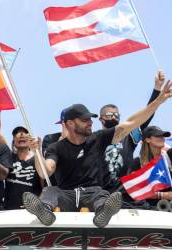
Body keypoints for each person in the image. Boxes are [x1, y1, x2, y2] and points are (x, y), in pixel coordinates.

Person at [22, 80, 172, 228]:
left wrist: (158, 100)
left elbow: (132, 122)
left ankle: (104, 214)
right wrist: (37, 151)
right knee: (50, 191)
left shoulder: (98, 139)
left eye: (90, 119)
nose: (90, 122)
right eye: (85, 119)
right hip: (66, 195)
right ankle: (44, 211)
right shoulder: (56, 147)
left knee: (102, 196)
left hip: (92, 193)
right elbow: (45, 172)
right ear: (70, 123)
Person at [99, 71, 165, 192]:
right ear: (101, 118)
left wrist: (157, 89)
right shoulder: (94, 139)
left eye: (116, 114)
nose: (114, 117)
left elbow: (145, 117)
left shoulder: (128, 137)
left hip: (123, 190)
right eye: (109, 114)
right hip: (99, 190)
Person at [126, 126, 172, 208]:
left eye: (163, 136)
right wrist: (162, 195)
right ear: (147, 139)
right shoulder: (137, 163)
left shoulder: (169, 157)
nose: (162, 138)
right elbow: (133, 190)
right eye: (158, 136)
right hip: (147, 210)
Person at [4, 126, 43, 210]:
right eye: (17, 134)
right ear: (14, 142)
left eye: (25, 133)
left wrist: (38, 202)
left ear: (30, 141)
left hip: (33, 210)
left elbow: (44, 184)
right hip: (9, 210)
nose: (21, 134)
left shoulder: (37, 159)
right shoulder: (8, 157)